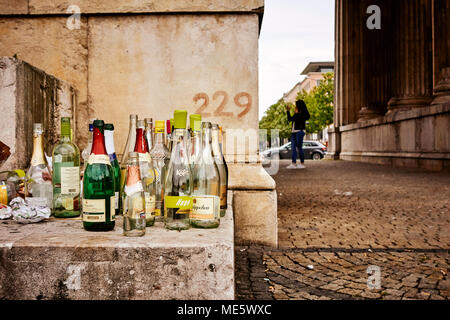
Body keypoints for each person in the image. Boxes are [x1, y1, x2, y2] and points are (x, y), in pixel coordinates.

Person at [286, 100, 310, 169]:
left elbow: (303, 119)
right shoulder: (296, 113)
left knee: (299, 148)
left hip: (299, 132)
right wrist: (288, 111)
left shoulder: (304, 114)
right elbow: (290, 119)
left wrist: (297, 113)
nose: (295, 107)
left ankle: (302, 163)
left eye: (296, 105)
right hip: (293, 132)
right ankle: (293, 163)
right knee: (293, 148)